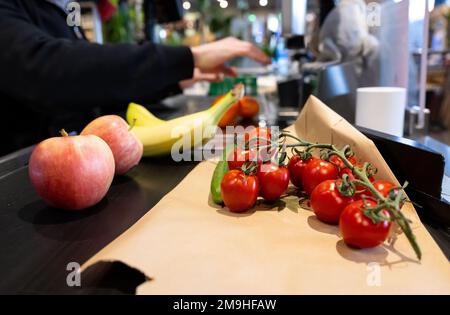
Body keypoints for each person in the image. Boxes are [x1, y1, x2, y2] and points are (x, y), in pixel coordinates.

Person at [0, 0, 271, 156]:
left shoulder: (59, 11)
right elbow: (50, 70)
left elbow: (93, 87)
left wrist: (175, 80)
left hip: (81, 164)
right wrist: (188, 57)